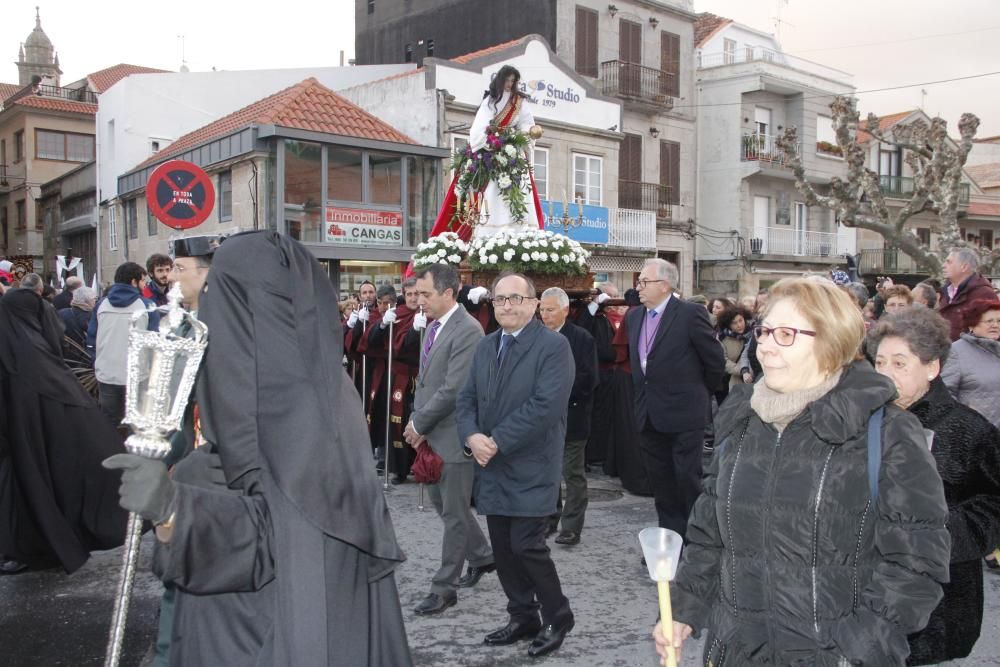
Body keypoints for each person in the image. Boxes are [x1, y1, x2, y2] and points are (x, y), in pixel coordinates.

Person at [104, 230, 411, 665]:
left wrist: (175, 509)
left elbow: (276, 540)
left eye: (217, 291)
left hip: (262, 633)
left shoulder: (280, 405)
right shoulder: (320, 389)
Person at [654, 277, 951, 666]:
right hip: (738, 652)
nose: (765, 345)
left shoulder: (888, 431)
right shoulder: (742, 422)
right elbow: (710, 537)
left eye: (786, 334)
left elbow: (917, 563)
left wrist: (859, 647)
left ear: (831, 344)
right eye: (764, 331)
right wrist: (683, 610)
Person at [869, 307, 1000, 665]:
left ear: (931, 367)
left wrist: (939, 535)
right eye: (879, 362)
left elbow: (993, 503)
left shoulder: (967, 430)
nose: (885, 374)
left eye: (899, 363)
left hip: (941, 596)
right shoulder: (861, 422)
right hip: (869, 590)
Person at [455, 272, 575, 658]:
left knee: (527, 546)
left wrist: (497, 441)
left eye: (515, 299)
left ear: (533, 304)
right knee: (504, 550)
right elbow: (466, 399)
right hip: (490, 464)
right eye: (500, 299)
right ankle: (523, 616)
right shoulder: (487, 346)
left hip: (529, 463)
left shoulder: (553, 347)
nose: (506, 305)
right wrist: (472, 436)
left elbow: (545, 406)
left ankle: (558, 616)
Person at [0, 285, 126, 574]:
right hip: (43, 444)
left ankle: (26, 548)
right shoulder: (39, 349)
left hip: (22, 445)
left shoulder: (14, 347)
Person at [404, 263, 494, 615]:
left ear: (448, 292)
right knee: (445, 506)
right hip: (431, 432)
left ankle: (444, 588)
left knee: (454, 514)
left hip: (455, 433)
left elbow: (454, 388)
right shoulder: (433, 326)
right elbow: (427, 380)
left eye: (425, 294)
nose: (419, 300)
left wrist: (419, 422)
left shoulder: (468, 330)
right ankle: (483, 556)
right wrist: (416, 419)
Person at [627, 258, 724, 537]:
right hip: (648, 413)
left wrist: (697, 393)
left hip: (684, 414)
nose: (639, 287)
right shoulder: (635, 317)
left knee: (686, 479)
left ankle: (697, 538)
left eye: (645, 282)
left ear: (665, 285)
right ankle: (671, 539)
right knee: (661, 483)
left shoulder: (689, 313)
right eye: (639, 281)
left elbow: (714, 361)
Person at [427, 65, 545, 242]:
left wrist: (528, 131)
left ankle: (519, 227)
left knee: (520, 188)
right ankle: (491, 228)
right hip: (492, 151)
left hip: (513, 153)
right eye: (507, 80)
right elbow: (480, 127)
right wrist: (490, 141)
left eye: (513, 81)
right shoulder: (491, 100)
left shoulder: (519, 101)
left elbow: (526, 123)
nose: (510, 84)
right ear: (501, 80)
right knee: (491, 191)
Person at [539, 287, 598, 546]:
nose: (544, 315)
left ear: (565, 310)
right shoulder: (535, 336)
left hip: (572, 414)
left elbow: (589, 378)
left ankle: (572, 526)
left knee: (571, 472)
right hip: (541, 417)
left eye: (550, 309)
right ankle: (549, 518)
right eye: (541, 309)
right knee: (545, 471)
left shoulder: (581, 338)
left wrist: (555, 392)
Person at [87, 262, 158, 426]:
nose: (144, 285)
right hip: (136, 375)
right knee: (136, 424)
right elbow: (154, 342)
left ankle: (109, 450)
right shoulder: (147, 307)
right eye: (142, 281)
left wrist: (97, 362)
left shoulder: (101, 305)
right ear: (134, 282)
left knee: (108, 424)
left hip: (106, 373)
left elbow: (91, 338)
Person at [369, 278, 422, 484]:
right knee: (398, 421)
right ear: (404, 295)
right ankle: (399, 468)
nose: (413, 298)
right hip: (400, 375)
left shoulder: (430, 313)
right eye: (409, 294)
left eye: (416, 294)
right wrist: (383, 324)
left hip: (421, 374)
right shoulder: (397, 315)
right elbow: (381, 343)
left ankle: (422, 464)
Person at [940, 298, 1000, 429]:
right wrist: (967, 420)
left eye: (999, 321)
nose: (995, 325)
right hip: (974, 434)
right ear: (972, 324)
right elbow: (944, 393)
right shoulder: (956, 352)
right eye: (989, 321)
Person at [939, 247, 999, 340]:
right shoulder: (945, 292)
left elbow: (993, 332)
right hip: (945, 351)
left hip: (971, 353)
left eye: (949, 262)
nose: (943, 265)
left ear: (964, 267)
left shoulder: (984, 294)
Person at [718, 305, 752, 390]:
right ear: (728, 325)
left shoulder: (754, 332)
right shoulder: (723, 338)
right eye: (734, 323)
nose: (739, 325)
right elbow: (723, 360)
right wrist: (743, 371)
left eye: (740, 320)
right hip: (736, 379)